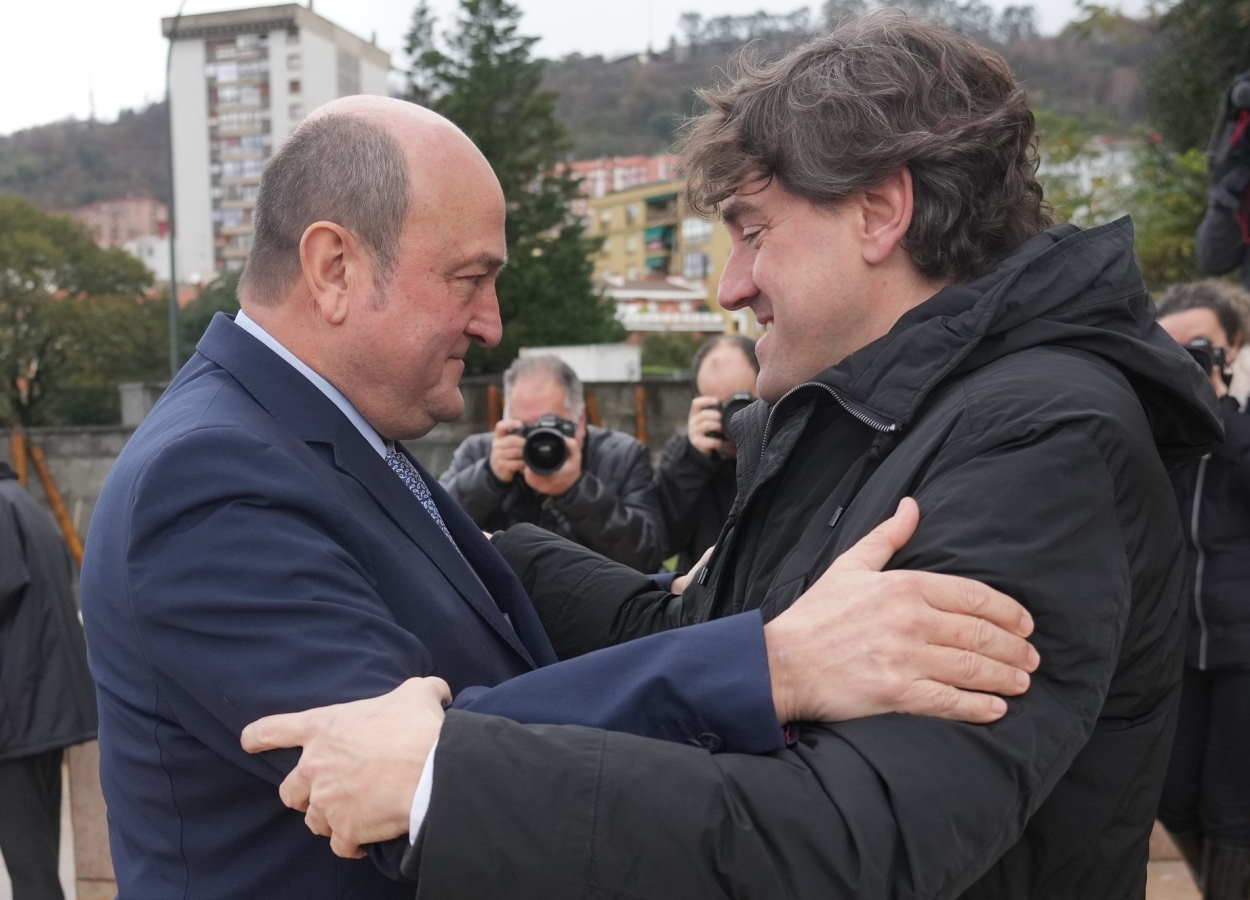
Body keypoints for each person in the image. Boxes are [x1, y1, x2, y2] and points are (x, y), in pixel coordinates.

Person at [243, 14, 1223, 899]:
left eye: (753, 233)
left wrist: (439, 778)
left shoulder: (1038, 442)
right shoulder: (871, 418)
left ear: (881, 211)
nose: (730, 285)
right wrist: (462, 551)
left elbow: (856, 835)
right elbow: (685, 629)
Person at [80, 95, 1037, 898]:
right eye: (470, 279)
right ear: (335, 267)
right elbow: (405, 780)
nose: (491, 323)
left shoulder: (307, 430)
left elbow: (479, 625)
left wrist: (688, 607)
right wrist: (768, 665)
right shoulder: (207, 479)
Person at [1156, 280, 1250, 898]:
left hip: (1245, 650)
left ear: (1234, 347)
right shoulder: (1161, 429)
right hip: (1179, 650)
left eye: (1199, 347)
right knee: (1173, 796)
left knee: (1233, 809)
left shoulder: (1238, 422)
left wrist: (1220, 407)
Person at [440, 354, 664, 570]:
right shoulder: (479, 452)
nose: (538, 440)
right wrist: (490, 476)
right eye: (525, 427)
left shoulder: (622, 456)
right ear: (506, 420)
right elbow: (434, 529)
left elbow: (648, 555)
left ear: (580, 421)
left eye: (550, 426)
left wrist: (576, 491)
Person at [0, 460, 97, 900]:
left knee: (31, 868)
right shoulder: (22, 501)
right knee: (37, 859)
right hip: (37, 708)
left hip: (17, 716)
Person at [655, 335, 757, 573]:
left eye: (740, 403)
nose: (731, 420)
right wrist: (693, 461)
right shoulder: (684, 456)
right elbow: (660, 544)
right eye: (719, 408)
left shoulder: (789, 445)